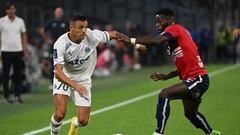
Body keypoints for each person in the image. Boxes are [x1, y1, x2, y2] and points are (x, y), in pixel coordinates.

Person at [118, 8, 221, 135]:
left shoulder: (175, 28)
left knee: (164, 94)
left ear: (170, 20)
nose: (157, 24)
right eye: (156, 22)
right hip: (194, 79)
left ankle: (158, 133)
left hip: (197, 79)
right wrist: (166, 76)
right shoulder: (171, 41)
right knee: (190, 114)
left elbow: (155, 41)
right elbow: (181, 65)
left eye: (160, 21)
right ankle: (212, 133)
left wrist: (129, 39)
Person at [49, 13, 146, 135]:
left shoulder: (92, 36)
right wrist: (75, 85)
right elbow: (58, 72)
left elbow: (115, 34)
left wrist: (135, 44)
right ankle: (54, 133)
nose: (84, 30)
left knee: (83, 121)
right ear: (71, 28)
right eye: (80, 27)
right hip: (65, 77)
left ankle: (75, 124)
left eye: (85, 27)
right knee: (60, 114)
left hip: (83, 80)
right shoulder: (60, 44)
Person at [0, 2, 28, 104]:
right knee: (5, 75)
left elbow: (24, 36)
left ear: (15, 10)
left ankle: (17, 96)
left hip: (18, 50)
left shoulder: (20, 21)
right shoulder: (2, 21)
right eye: (9, 9)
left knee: (18, 75)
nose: (11, 11)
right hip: (5, 51)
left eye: (13, 9)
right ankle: (7, 96)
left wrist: (25, 51)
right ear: (6, 10)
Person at [45, 7, 68, 83]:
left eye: (60, 12)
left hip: (64, 47)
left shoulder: (66, 23)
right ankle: (53, 82)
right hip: (54, 47)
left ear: (62, 13)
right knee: (54, 64)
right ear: (55, 13)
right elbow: (43, 30)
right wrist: (47, 39)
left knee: (65, 64)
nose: (59, 13)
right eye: (57, 12)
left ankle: (65, 81)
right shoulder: (51, 22)